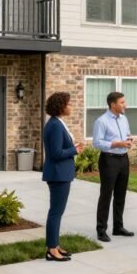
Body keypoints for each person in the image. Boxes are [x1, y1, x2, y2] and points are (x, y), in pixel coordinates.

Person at [42, 92, 83, 262]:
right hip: (58, 174)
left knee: (57, 212)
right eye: (69, 103)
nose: (71, 106)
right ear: (61, 106)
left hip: (61, 173)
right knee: (56, 212)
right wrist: (75, 150)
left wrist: (72, 146)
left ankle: (55, 245)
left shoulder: (56, 123)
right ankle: (52, 249)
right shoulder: (55, 126)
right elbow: (56, 153)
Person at [91, 91, 135, 243]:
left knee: (121, 194)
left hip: (123, 159)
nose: (125, 105)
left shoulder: (124, 119)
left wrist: (129, 139)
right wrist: (116, 144)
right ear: (113, 104)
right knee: (106, 195)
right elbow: (96, 142)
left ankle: (118, 227)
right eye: (122, 102)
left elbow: (127, 134)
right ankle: (101, 230)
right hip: (108, 160)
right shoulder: (101, 121)